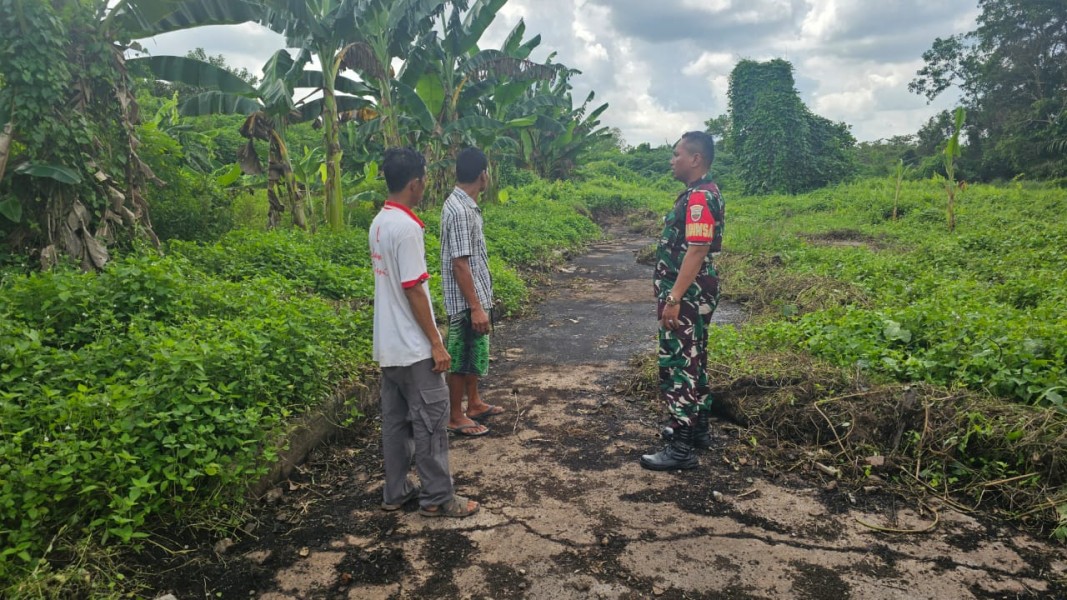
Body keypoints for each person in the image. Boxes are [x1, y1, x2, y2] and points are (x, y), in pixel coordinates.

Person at [370, 147, 479, 517]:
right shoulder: (408, 228)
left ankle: (396, 491)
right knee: (432, 423)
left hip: (388, 348)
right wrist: (436, 343)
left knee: (396, 426)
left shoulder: (380, 222)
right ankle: (438, 498)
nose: (425, 185)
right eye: (425, 179)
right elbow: (414, 288)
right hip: (415, 349)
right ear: (415, 183)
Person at [640, 131, 725, 471]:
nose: (672, 160)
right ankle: (697, 428)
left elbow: (698, 248)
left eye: (677, 154)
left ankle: (681, 446)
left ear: (695, 159)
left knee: (680, 364)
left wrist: (674, 296)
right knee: (695, 357)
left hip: (687, 294)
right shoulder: (699, 193)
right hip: (693, 291)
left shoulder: (701, 198)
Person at [439, 147, 504, 437]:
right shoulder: (462, 210)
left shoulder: (461, 204)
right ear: (483, 175)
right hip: (466, 300)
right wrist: (476, 306)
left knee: (474, 349)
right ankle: (455, 415)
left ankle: (474, 403)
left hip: (472, 296)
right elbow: (460, 264)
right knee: (462, 354)